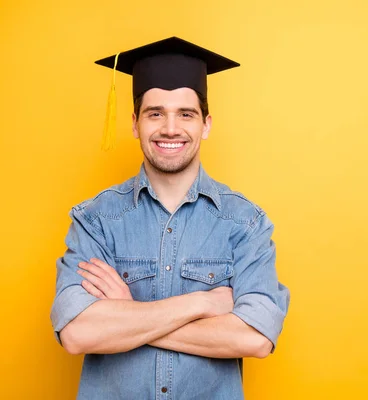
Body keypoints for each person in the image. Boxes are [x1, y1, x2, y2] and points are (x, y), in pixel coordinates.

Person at [50, 36, 290, 399]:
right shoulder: (95, 220)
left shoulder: (246, 223)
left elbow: (255, 337)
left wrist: (129, 315)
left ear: (206, 124)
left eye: (186, 114)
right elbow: (77, 333)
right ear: (135, 123)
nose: (170, 128)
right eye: (155, 113)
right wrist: (202, 304)